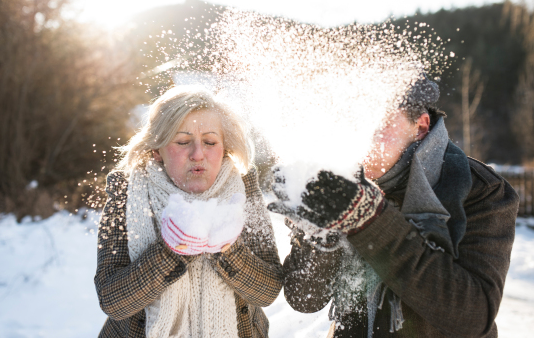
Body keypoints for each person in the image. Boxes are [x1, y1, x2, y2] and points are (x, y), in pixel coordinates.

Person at [269, 77, 519, 337]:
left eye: (375, 127)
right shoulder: (336, 179)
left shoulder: (480, 190)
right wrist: (320, 231)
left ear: (420, 126)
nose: (359, 141)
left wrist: (368, 219)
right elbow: (304, 299)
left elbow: (473, 317)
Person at [95, 85, 282, 338]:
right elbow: (112, 301)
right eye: (183, 142)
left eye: (210, 142)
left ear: (224, 147)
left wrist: (228, 250)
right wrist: (171, 251)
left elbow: (268, 290)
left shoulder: (242, 192)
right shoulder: (127, 195)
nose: (198, 154)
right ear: (156, 150)